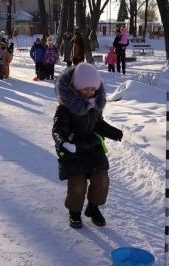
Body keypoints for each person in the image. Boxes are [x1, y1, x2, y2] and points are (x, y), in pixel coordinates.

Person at [52, 63, 123, 229]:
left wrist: (113, 132)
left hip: (92, 149)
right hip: (73, 150)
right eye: (85, 89)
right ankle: (75, 213)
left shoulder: (95, 105)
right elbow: (58, 128)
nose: (89, 92)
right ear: (76, 88)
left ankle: (93, 207)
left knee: (102, 181)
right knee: (78, 185)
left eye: (92, 89)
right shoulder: (65, 108)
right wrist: (62, 142)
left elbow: (98, 124)